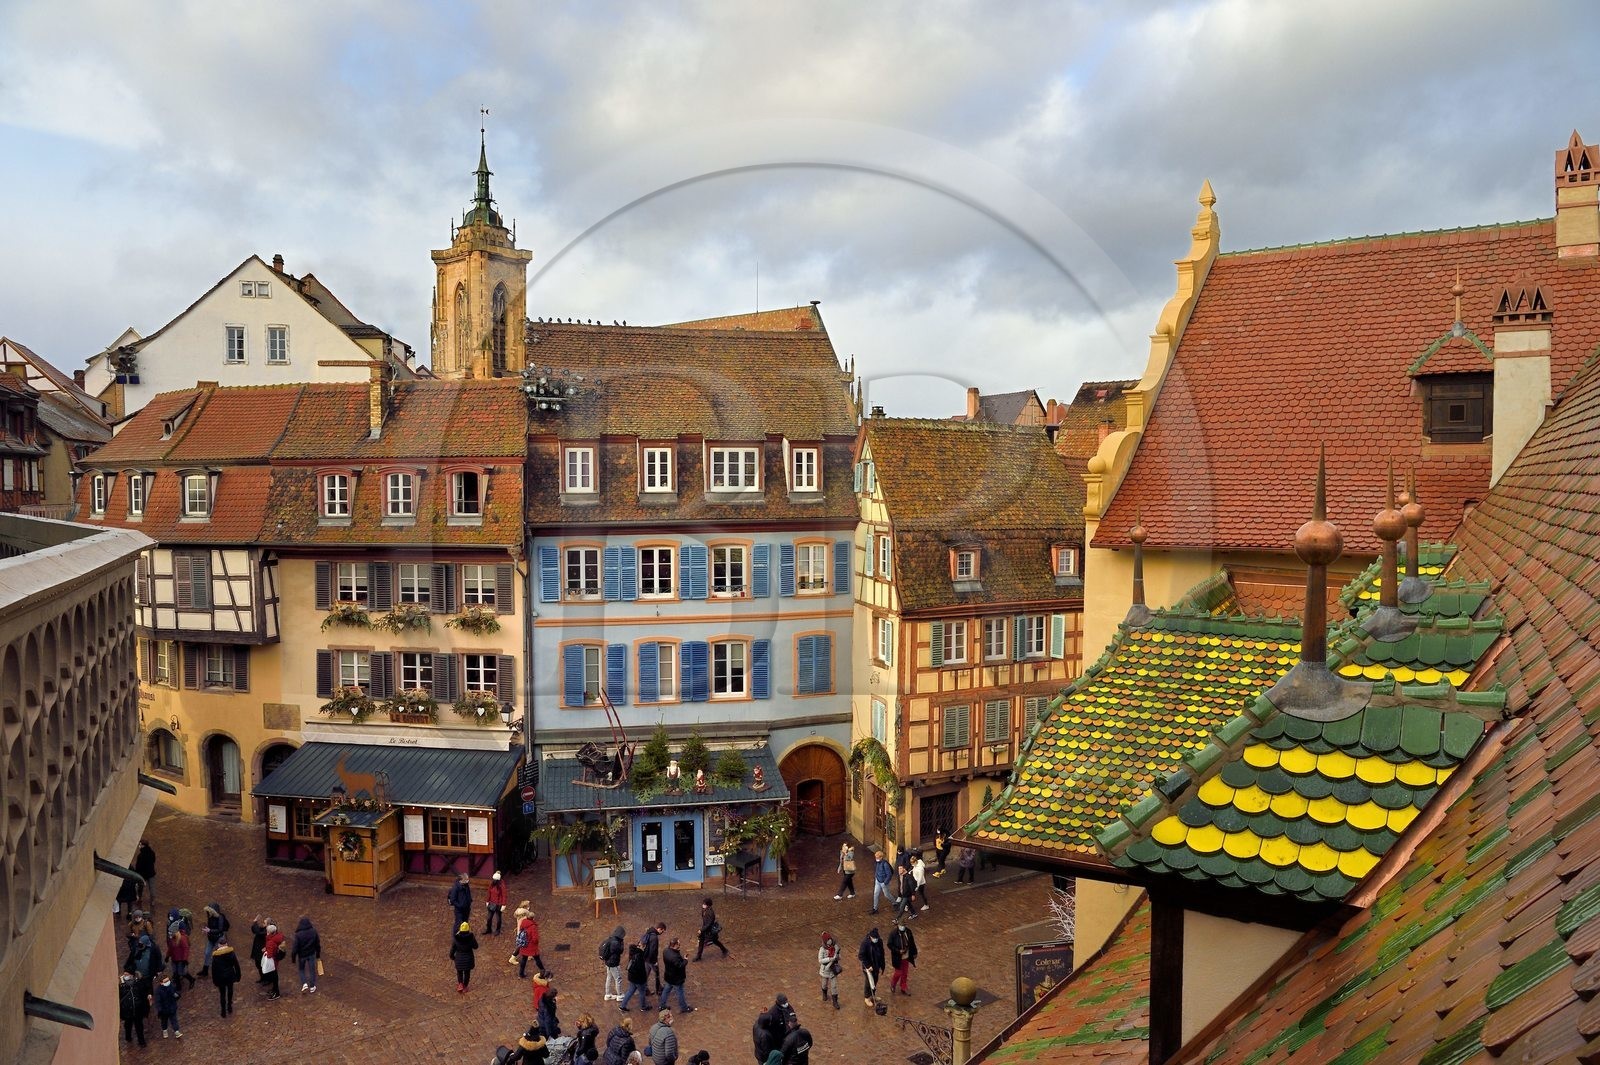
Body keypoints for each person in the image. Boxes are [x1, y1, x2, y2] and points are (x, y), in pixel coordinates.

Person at [210, 934, 241, 1017]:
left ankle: (223, 1011)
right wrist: (238, 976)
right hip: (230, 975)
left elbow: (214, 969)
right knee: (230, 991)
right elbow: (236, 965)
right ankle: (229, 1006)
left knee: (222, 994)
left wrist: (214, 980)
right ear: (226, 944)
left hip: (220, 977)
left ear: (219, 945)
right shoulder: (231, 953)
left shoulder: (216, 956)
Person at [513, 903, 547, 976]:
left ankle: (521, 973)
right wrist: (536, 942)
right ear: (533, 918)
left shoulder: (523, 923)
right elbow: (535, 938)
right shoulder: (533, 926)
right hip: (531, 946)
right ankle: (542, 970)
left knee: (524, 959)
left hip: (524, 944)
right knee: (537, 959)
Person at [119, 971, 151, 1047]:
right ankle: (128, 1037)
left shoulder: (137, 983)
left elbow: (143, 992)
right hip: (127, 1011)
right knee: (128, 1025)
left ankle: (141, 1041)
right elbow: (121, 994)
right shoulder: (122, 985)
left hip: (137, 1010)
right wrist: (123, 984)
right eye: (124, 975)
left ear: (131, 975)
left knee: (139, 1026)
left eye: (127, 974)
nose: (125, 976)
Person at [660, 936, 692, 1013]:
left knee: (666, 991)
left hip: (668, 976)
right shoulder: (675, 957)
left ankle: (662, 1005)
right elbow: (680, 966)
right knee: (680, 993)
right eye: (678, 943)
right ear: (675, 945)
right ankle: (684, 1008)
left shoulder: (666, 951)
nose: (680, 945)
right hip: (676, 979)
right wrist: (685, 960)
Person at [291, 914, 321, 993]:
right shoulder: (313, 932)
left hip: (302, 955)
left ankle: (304, 983)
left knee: (301, 969)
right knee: (312, 970)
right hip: (311, 954)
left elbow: (295, 948)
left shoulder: (298, 934)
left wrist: (293, 958)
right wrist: (318, 954)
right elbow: (317, 944)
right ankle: (312, 986)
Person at [888, 920, 918, 995]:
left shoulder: (908, 932)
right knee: (898, 973)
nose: (902, 927)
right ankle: (893, 984)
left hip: (906, 955)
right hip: (897, 957)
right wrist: (898, 951)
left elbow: (912, 942)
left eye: (904, 925)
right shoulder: (893, 933)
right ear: (898, 925)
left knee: (905, 972)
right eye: (901, 925)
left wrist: (914, 952)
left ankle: (903, 986)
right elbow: (890, 945)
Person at [858, 927, 885, 1008]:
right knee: (869, 982)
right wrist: (868, 966)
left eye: (876, 938)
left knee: (875, 981)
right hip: (868, 967)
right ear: (870, 937)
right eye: (874, 938)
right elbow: (861, 955)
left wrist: (881, 964)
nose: (875, 939)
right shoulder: (865, 943)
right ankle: (867, 997)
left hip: (876, 965)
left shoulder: (879, 941)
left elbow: (882, 952)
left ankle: (872, 995)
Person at [620, 940, 651, 1011]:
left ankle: (622, 1005)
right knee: (642, 993)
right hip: (639, 979)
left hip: (631, 977)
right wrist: (644, 979)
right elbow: (641, 969)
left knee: (630, 991)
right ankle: (643, 1007)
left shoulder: (632, 952)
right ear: (644, 946)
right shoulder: (640, 956)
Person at [200, 901, 229, 976]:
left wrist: (209, 930)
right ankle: (205, 970)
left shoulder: (220, 917)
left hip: (219, 939)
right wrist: (206, 930)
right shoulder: (210, 916)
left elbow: (220, 929)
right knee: (207, 953)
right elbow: (210, 926)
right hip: (211, 938)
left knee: (218, 956)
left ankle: (220, 971)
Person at [451, 920, 479, 993]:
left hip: (459, 958)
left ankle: (460, 984)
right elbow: (476, 946)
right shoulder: (471, 937)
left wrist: (452, 956)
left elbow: (453, 949)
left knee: (459, 972)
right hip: (468, 958)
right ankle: (465, 986)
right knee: (467, 973)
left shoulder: (456, 938)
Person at [600, 924, 626, 1001]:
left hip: (608, 962)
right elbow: (620, 951)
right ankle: (620, 995)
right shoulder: (616, 942)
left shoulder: (610, 939)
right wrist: (622, 943)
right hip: (614, 963)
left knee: (609, 977)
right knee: (618, 978)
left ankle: (607, 994)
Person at [167, 911, 193, 989]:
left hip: (181, 959)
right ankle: (178, 986)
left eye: (171, 932)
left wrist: (185, 959)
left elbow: (186, 949)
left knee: (182, 972)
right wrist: (167, 956)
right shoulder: (172, 939)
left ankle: (191, 980)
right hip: (174, 958)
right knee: (175, 972)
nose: (170, 934)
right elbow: (170, 948)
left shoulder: (182, 938)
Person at [154, 971, 182, 1039]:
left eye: (168, 980)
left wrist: (177, 995)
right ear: (161, 983)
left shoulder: (172, 985)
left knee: (174, 1020)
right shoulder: (158, 991)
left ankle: (176, 1031)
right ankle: (165, 1030)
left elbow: (176, 993)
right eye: (165, 981)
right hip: (164, 1010)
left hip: (172, 1007)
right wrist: (160, 1009)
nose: (167, 982)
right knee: (164, 1021)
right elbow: (158, 1001)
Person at [261, 921, 285, 999]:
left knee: (274, 977)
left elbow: (270, 955)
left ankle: (276, 992)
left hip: (272, 961)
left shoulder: (270, 942)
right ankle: (274, 989)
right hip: (276, 959)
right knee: (275, 976)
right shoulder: (277, 937)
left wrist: (265, 952)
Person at [817, 933, 841, 1009]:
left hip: (833, 970)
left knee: (834, 986)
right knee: (824, 984)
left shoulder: (835, 946)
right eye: (827, 940)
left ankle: (835, 1001)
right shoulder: (822, 949)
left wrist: (837, 957)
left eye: (830, 939)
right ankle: (824, 993)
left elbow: (839, 956)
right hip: (825, 970)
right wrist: (829, 959)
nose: (829, 941)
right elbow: (820, 960)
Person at [133, 839, 157, 906]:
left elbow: (138, 866)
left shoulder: (140, 856)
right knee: (152, 888)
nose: (139, 846)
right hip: (151, 873)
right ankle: (153, 901)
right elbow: (153, 861)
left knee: (140, 888)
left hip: (142, 875)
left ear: (143, 845)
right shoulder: (152, 853)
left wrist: (137, 874)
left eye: (140, 844)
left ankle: (139, 898)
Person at [643, 921, 664, 994]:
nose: (662, 933)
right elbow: (653, 950)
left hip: (645, 957)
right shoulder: (654, 937)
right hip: (651, 959)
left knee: (646, 973)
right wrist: (655, 961)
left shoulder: (648, 932)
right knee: (657, 974)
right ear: (659, 929)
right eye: (662, 931)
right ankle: (658, 989)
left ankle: (645, 989)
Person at [870, 849, 893, 914]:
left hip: (883, 882)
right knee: (875, 894)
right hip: (878, 880)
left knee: (887, 895)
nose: (876, 859)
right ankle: (875, 908)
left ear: (881, 857)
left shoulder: (885, 864)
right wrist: (876, 877)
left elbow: (889, 874)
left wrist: (884, 883)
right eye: (875, 857)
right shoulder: (878, 862)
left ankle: (894, 903)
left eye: (877, 857)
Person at [485, 870, 507, 935]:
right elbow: (489, 892)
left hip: (498, 904)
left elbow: (504, 895)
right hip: (491, 903)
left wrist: (503, 904)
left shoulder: (501, 885)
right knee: (489, 918)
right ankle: (488, 929)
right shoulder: (492, 884)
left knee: (498, 918)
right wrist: (487, 901)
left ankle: (498, 930)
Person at [249, 915, 269, 982]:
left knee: (262, 966)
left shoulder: (267, 931)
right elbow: (254, 930)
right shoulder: (263, 928)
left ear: (268, 925)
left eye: (264, 923)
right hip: (257, 950)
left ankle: (266, 979)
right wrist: (254, 923)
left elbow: (258, 932)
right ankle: (262, 978)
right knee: (258, 965)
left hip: (261, 952)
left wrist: (255, 922)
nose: (263, 923)